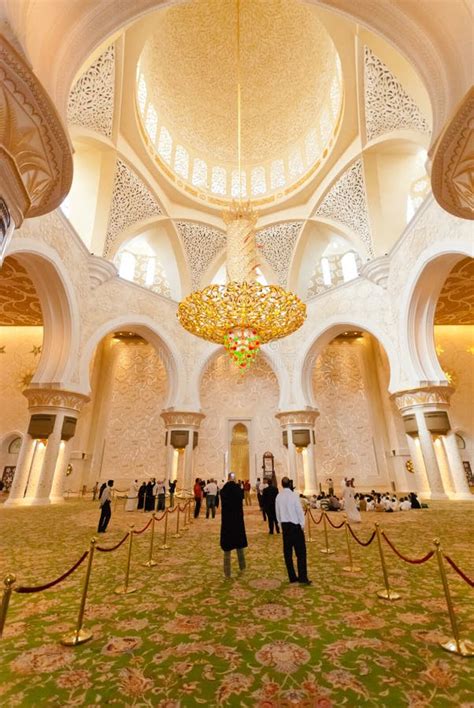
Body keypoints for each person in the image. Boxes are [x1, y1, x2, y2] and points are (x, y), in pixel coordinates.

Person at [275, 476, 311, 585]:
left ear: (281, 485)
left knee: (288, 553)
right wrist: (302, 525)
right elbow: (299, 511)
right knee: (301, 553)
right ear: (289, 484)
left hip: (285, 528)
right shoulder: (294, 496)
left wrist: (281, 527)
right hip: (295, 527)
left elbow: (278, 514)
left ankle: (292, 577)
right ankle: (302, 577)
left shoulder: (279, 496)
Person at [220, 472, 247, 578]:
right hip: (237, 521)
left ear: (227, 478)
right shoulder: (238, 489)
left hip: (227, 521)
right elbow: (241, 497)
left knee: (227, 549)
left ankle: (227, 573)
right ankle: (242, 567)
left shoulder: (224, 490)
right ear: (235, 479)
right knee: (239, 546)